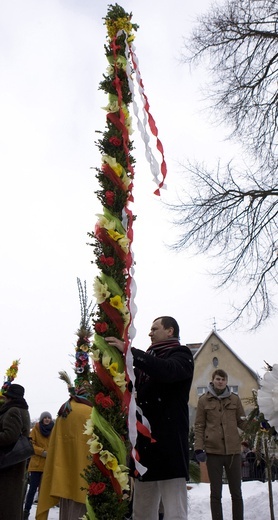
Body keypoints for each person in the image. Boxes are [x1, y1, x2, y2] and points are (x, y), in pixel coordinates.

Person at [106, 315, 194, 520]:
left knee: (175, 512)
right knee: (142, 512)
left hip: (170, 447)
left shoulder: (181, 355)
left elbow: (166, 371)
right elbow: (132, 388)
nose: (150, 333)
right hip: (146, 450)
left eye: (155, 328)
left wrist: (130, 352)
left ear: (170, 331)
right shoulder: (147, 362)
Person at [194, 369, 247, 520]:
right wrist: (199, 448)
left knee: (236, 492)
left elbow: (242, 421)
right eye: (218, 379)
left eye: (223, 379)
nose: (220, 382)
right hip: (213, 452)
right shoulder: (204, 400)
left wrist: (257, 426)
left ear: (226, 381)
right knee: (215, 493)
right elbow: (199, 426)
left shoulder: (234, 400)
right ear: (213, 380)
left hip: (233, 452)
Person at [36, 385, 93, 520]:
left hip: (64, 475)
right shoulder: (90, 411)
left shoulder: (66, 409)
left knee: (66, 512)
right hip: (85, 476)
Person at [0, 383, 31, 520]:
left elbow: (9, 436)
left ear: (10, 398)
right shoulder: (23, 410)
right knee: (12, 501)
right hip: (15, 463)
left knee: (6, 503)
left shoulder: (12, 410)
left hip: (7, 464)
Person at [23, 411, 54, 519]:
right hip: (36, 465)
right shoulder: (36, 429)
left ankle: (41, 515)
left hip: (47, 466)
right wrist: (43, 452)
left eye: (48, 418)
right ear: (41, 419)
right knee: (32, 490)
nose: (47, 419)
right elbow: (31, 445)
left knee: (44, 492)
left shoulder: (54, 430)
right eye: (45, 417)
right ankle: (26, 512)